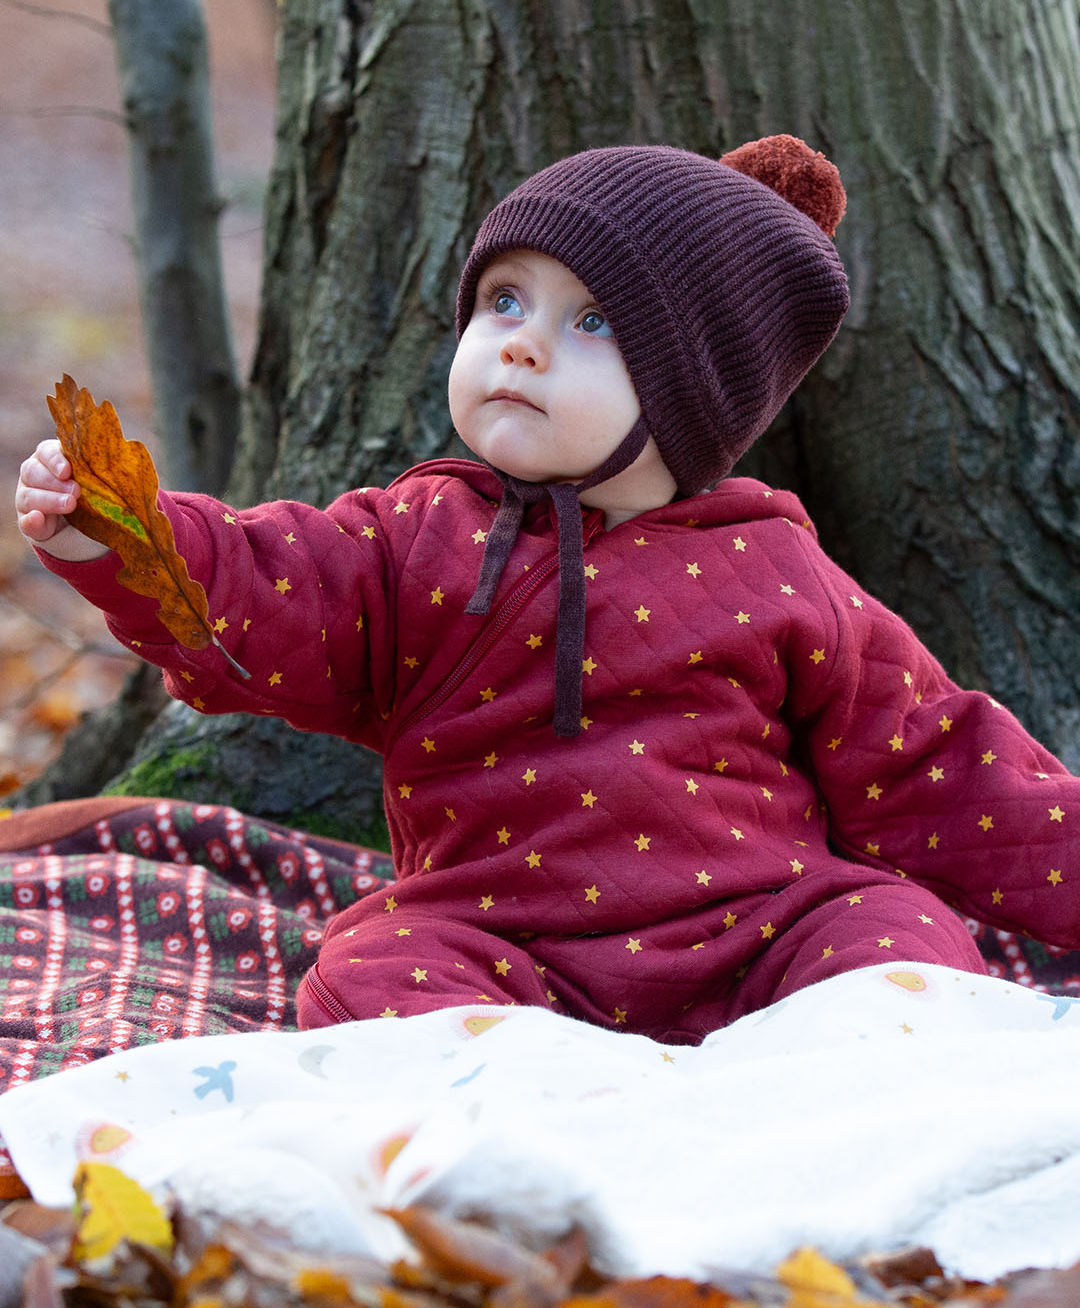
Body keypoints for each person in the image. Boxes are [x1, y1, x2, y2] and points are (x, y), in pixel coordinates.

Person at [15, 138, 1080, 1043]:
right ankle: (499, 1143)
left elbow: (941, 762)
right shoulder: (418, 534)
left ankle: (839, 1107)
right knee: (371, 973)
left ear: (694, 390)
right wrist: (119, 535)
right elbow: (268, 581)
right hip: (494, 933)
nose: (520, 340)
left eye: (595, 321)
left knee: (903, 949)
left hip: (763, 930)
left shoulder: (780, 571)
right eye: (503, 300)